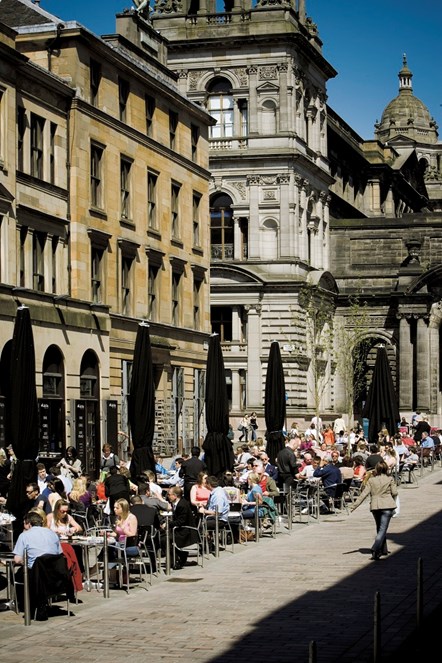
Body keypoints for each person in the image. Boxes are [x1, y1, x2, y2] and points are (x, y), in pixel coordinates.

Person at [13, 511, 63, 620]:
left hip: (36, 575)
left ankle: (25, 606)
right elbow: (59, 554)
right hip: (54, 574)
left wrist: (26, 560)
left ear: (28, 523)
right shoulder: (53, 534)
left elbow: (17, 559)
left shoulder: (24, 535)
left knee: (17, 576)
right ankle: (40, 603)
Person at [350, 460, 398, 560]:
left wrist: (354, 506)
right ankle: (376, 548)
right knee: (383, 529)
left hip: (375, 506)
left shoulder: (371, 480)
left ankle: (383, 549)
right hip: (387, 505)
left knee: (379, 528)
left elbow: (364, 494)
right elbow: (394, 492)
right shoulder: (390, 479)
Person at [163, 486, 198, 570]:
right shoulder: (177, 503)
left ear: (175, 496)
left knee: (165, 540)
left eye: (169, 494)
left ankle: (178, 558)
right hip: (180, 528)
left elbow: (181, 521)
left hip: (186, 531)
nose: (168, 496)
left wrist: (167, 524)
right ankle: (175, 559)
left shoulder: (182, 505)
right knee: (164, 538)